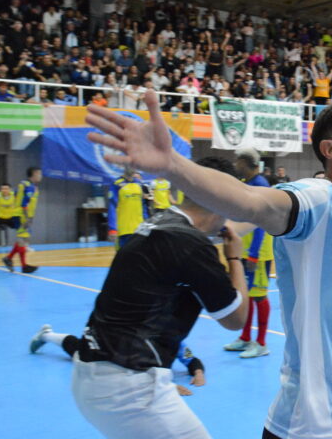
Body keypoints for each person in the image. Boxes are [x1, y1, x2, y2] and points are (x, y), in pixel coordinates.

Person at [85, 77, 332, 439]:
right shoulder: (319, 199)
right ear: (331, 149)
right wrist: (173, 166)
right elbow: (253, 201)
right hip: (311, 429)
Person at [68, 156, 249, 439]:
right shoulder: (192, 244)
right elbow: (235, 319)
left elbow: (226, 229)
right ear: (222, 200)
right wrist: (235, 258)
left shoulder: (160, 222)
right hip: (128, 386)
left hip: (93, 372)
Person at [30, 327, 206, 396]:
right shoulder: (142, 340)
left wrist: (198, 372)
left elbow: (192, 360)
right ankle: (46, 335)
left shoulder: (175, 341)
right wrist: (168, 386)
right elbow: (132, 370)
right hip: (105, 352)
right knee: (77, 349)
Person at [223, 148, 273, 359]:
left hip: (258, 252)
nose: (235, 164)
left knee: (259, 296)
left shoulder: (261, 185)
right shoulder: (247, 184)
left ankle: (261, 343)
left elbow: (262, 222)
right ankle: (245, 338)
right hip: (245, 248)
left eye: (238, 161)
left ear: (246, 162)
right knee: (247, 296)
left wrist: (253, 254)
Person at [2, 167, 42, 273]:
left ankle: (9, 258)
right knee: (22, 239)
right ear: (34, 174)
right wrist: (27, 217)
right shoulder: (30, 186)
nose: (40, 176)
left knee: (23, 239)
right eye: (39, 174)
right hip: (22, 215)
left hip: (17, 214)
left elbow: (15, 195)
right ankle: (24, 266)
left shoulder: (23, 184)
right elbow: (25, 203)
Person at [107, 166, 149, 250]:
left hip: (138, 230)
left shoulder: (139, 184)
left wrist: (146, 223)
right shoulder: (117, 184)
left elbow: (143, 206)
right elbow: (112, 207)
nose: (132, 167)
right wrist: (112, 228)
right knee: (123, 259)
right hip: (123, 230)